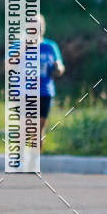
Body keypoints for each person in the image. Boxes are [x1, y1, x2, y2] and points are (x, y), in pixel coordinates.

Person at [39, 14, 65, 150]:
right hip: (25, 92)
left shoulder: (50, 46)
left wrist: (58, 68)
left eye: (40, 26)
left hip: (45, 91)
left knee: (39, 128)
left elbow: (60, 68)